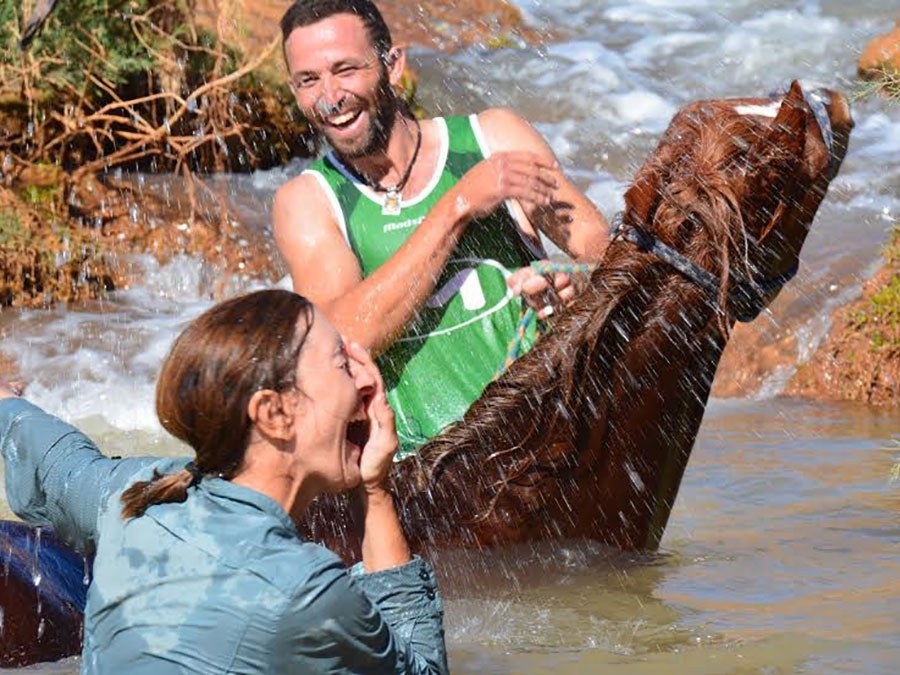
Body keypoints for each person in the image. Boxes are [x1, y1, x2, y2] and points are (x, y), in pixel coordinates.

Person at [0, 289, 447, 674]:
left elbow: (61, 466)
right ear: (273, 413)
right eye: (343, 365)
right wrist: (374, 493)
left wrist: (7, 403)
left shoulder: (138, 496)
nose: (368, 381)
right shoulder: (306, 590)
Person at [273, 0, 610, 456]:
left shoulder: (494, 140)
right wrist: (458, 206)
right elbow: (342, 339)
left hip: (547, 433)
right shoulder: (308, 201)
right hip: (426, 467)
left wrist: (574, 287)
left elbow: (604, 253)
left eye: (345, 70)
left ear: (393, 65)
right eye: (308, 80)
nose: (329, 97)